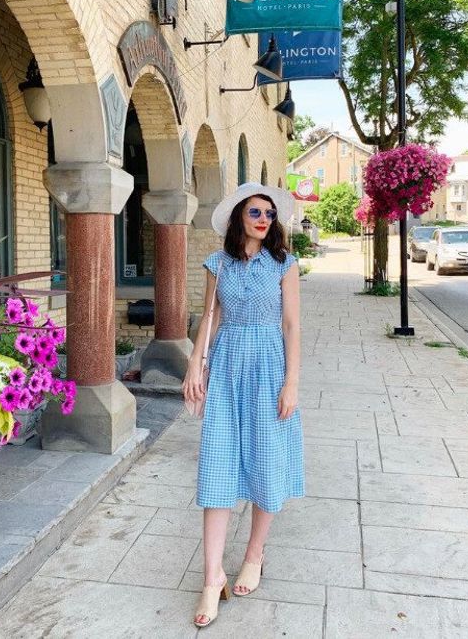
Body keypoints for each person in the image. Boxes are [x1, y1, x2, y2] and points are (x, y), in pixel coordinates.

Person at [183, 182, 304, 628]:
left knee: (266, 459)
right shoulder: (217, 263)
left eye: (269, 214)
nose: (264, 219)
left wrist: (291, 383)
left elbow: (291, 325)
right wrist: (195, 364)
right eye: (256, 212)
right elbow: (210, 317)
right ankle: (211, 577)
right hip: (227, 365)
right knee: (217, 464)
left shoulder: (284, 264)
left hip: (269, 366)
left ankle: (254, 554)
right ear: (239, 216)